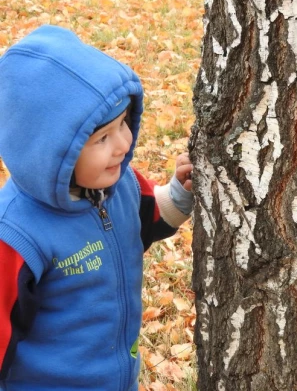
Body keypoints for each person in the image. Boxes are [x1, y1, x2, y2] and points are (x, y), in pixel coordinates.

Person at [0, 25, 194, 390]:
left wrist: (180, 194)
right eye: (102, 138)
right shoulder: (16, 236)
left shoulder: (118, 186)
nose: (123, 143)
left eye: (123, 124)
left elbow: (149, 218)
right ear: (52, 152)